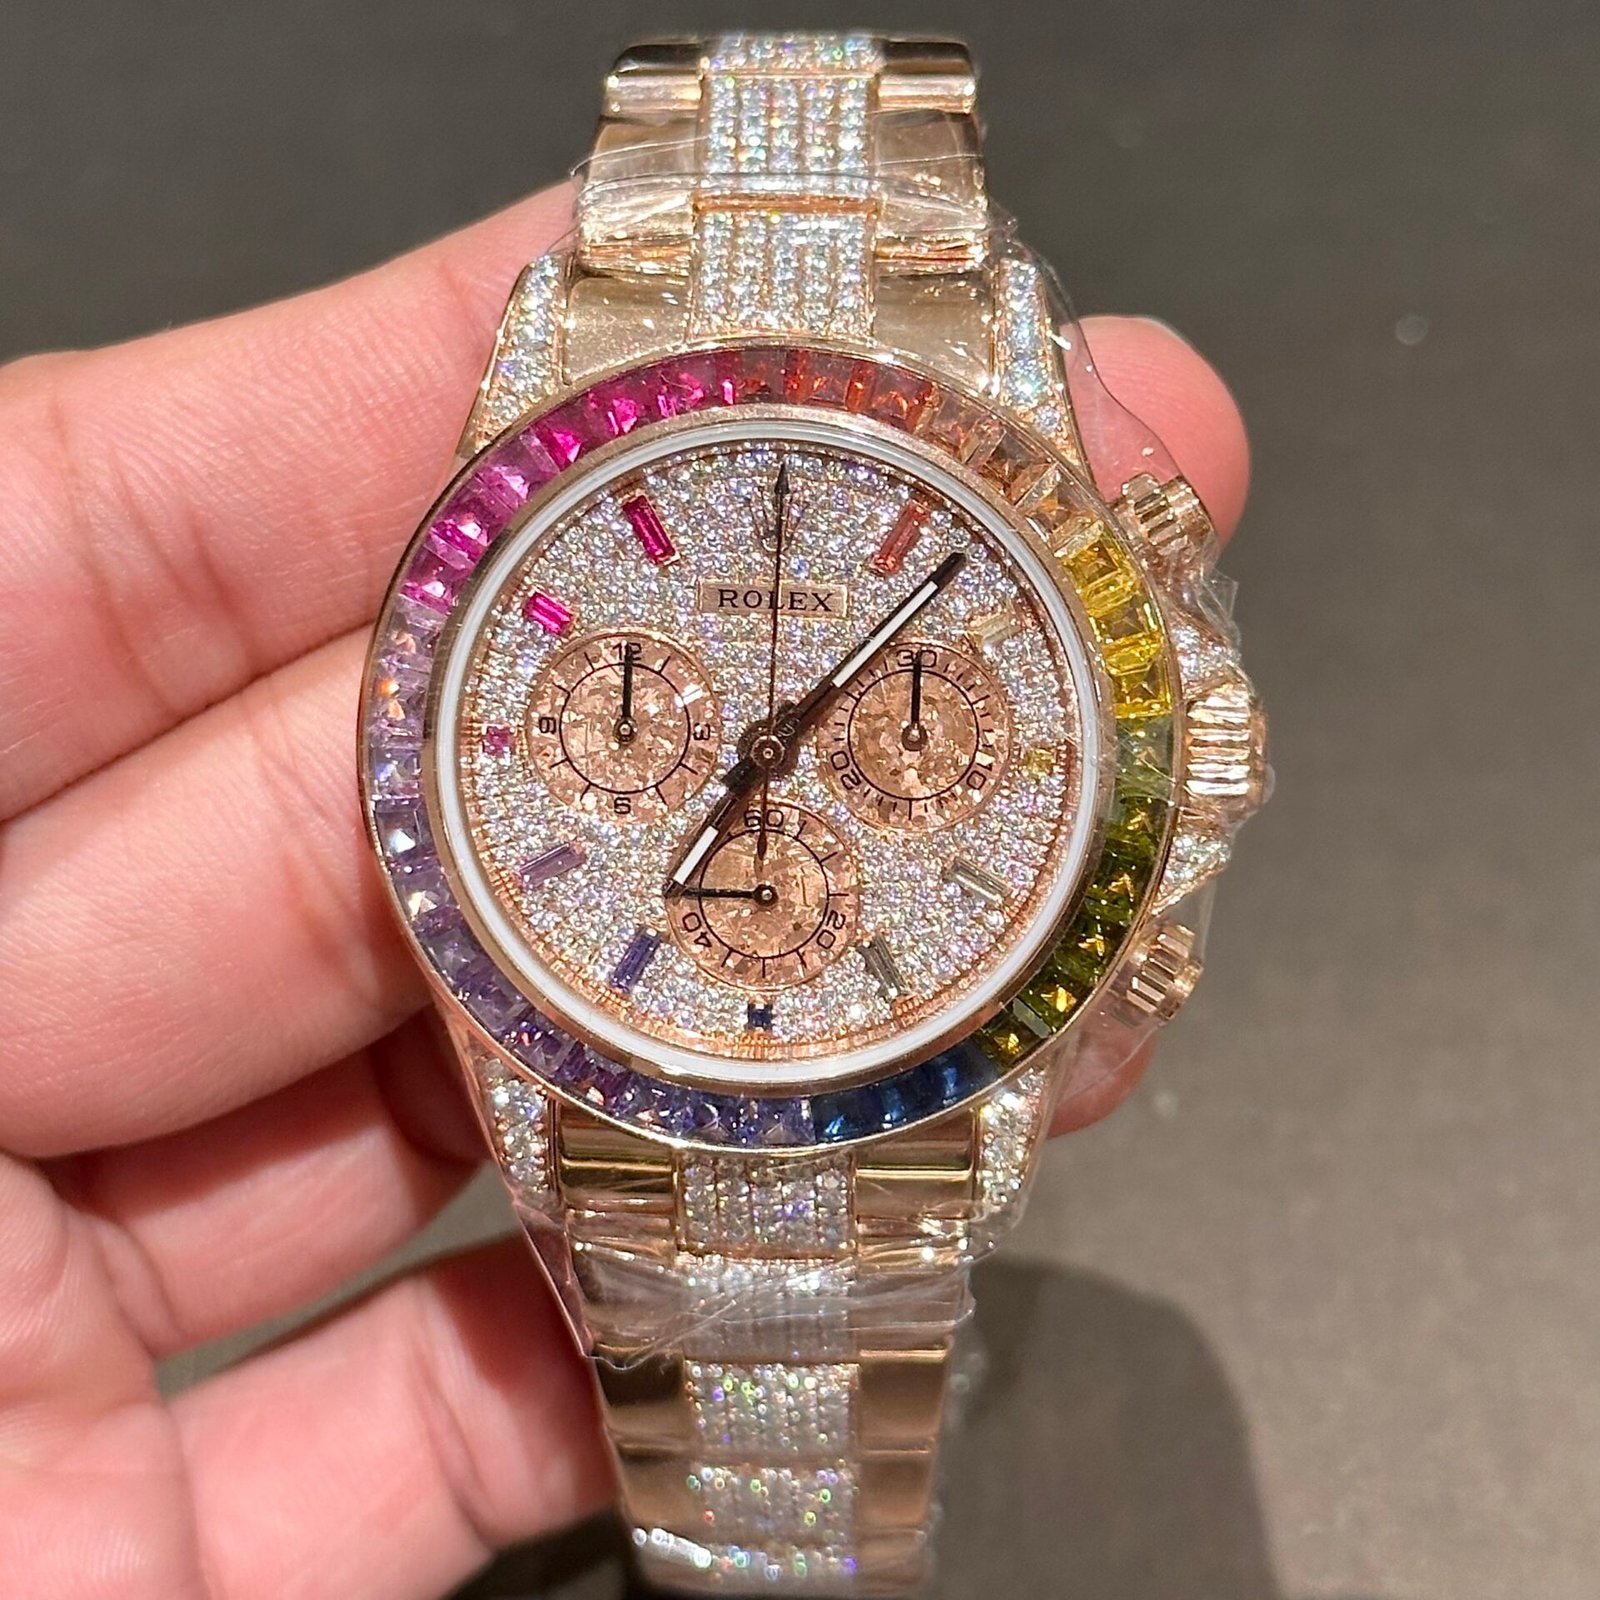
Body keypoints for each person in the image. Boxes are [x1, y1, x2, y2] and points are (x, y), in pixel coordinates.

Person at [0, 182, 1250, 1600]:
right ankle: (777, 1551)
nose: (767, 756)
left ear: (1193, 755)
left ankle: (801, 1548)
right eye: (763, 749)